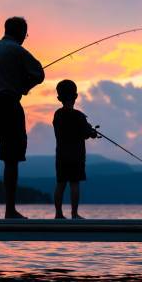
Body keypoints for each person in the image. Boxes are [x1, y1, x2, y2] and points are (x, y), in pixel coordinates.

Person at [0, 16, 44, 219]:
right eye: (26, 34)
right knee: (11, 159)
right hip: (7, 105)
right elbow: (39, 74)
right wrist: (25, 86)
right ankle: (9, 210)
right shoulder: (18, 51)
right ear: (22, 33)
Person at [53, 79, 99, 219]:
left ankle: (58, 214)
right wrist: (92, 132)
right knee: (74, 184)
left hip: (61, 155)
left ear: (59, 98)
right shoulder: (79, 116)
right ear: (76, 96)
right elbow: (86, 133)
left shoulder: (57, 115)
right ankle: (74, 213)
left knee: (60, 184)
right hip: (76, 156)